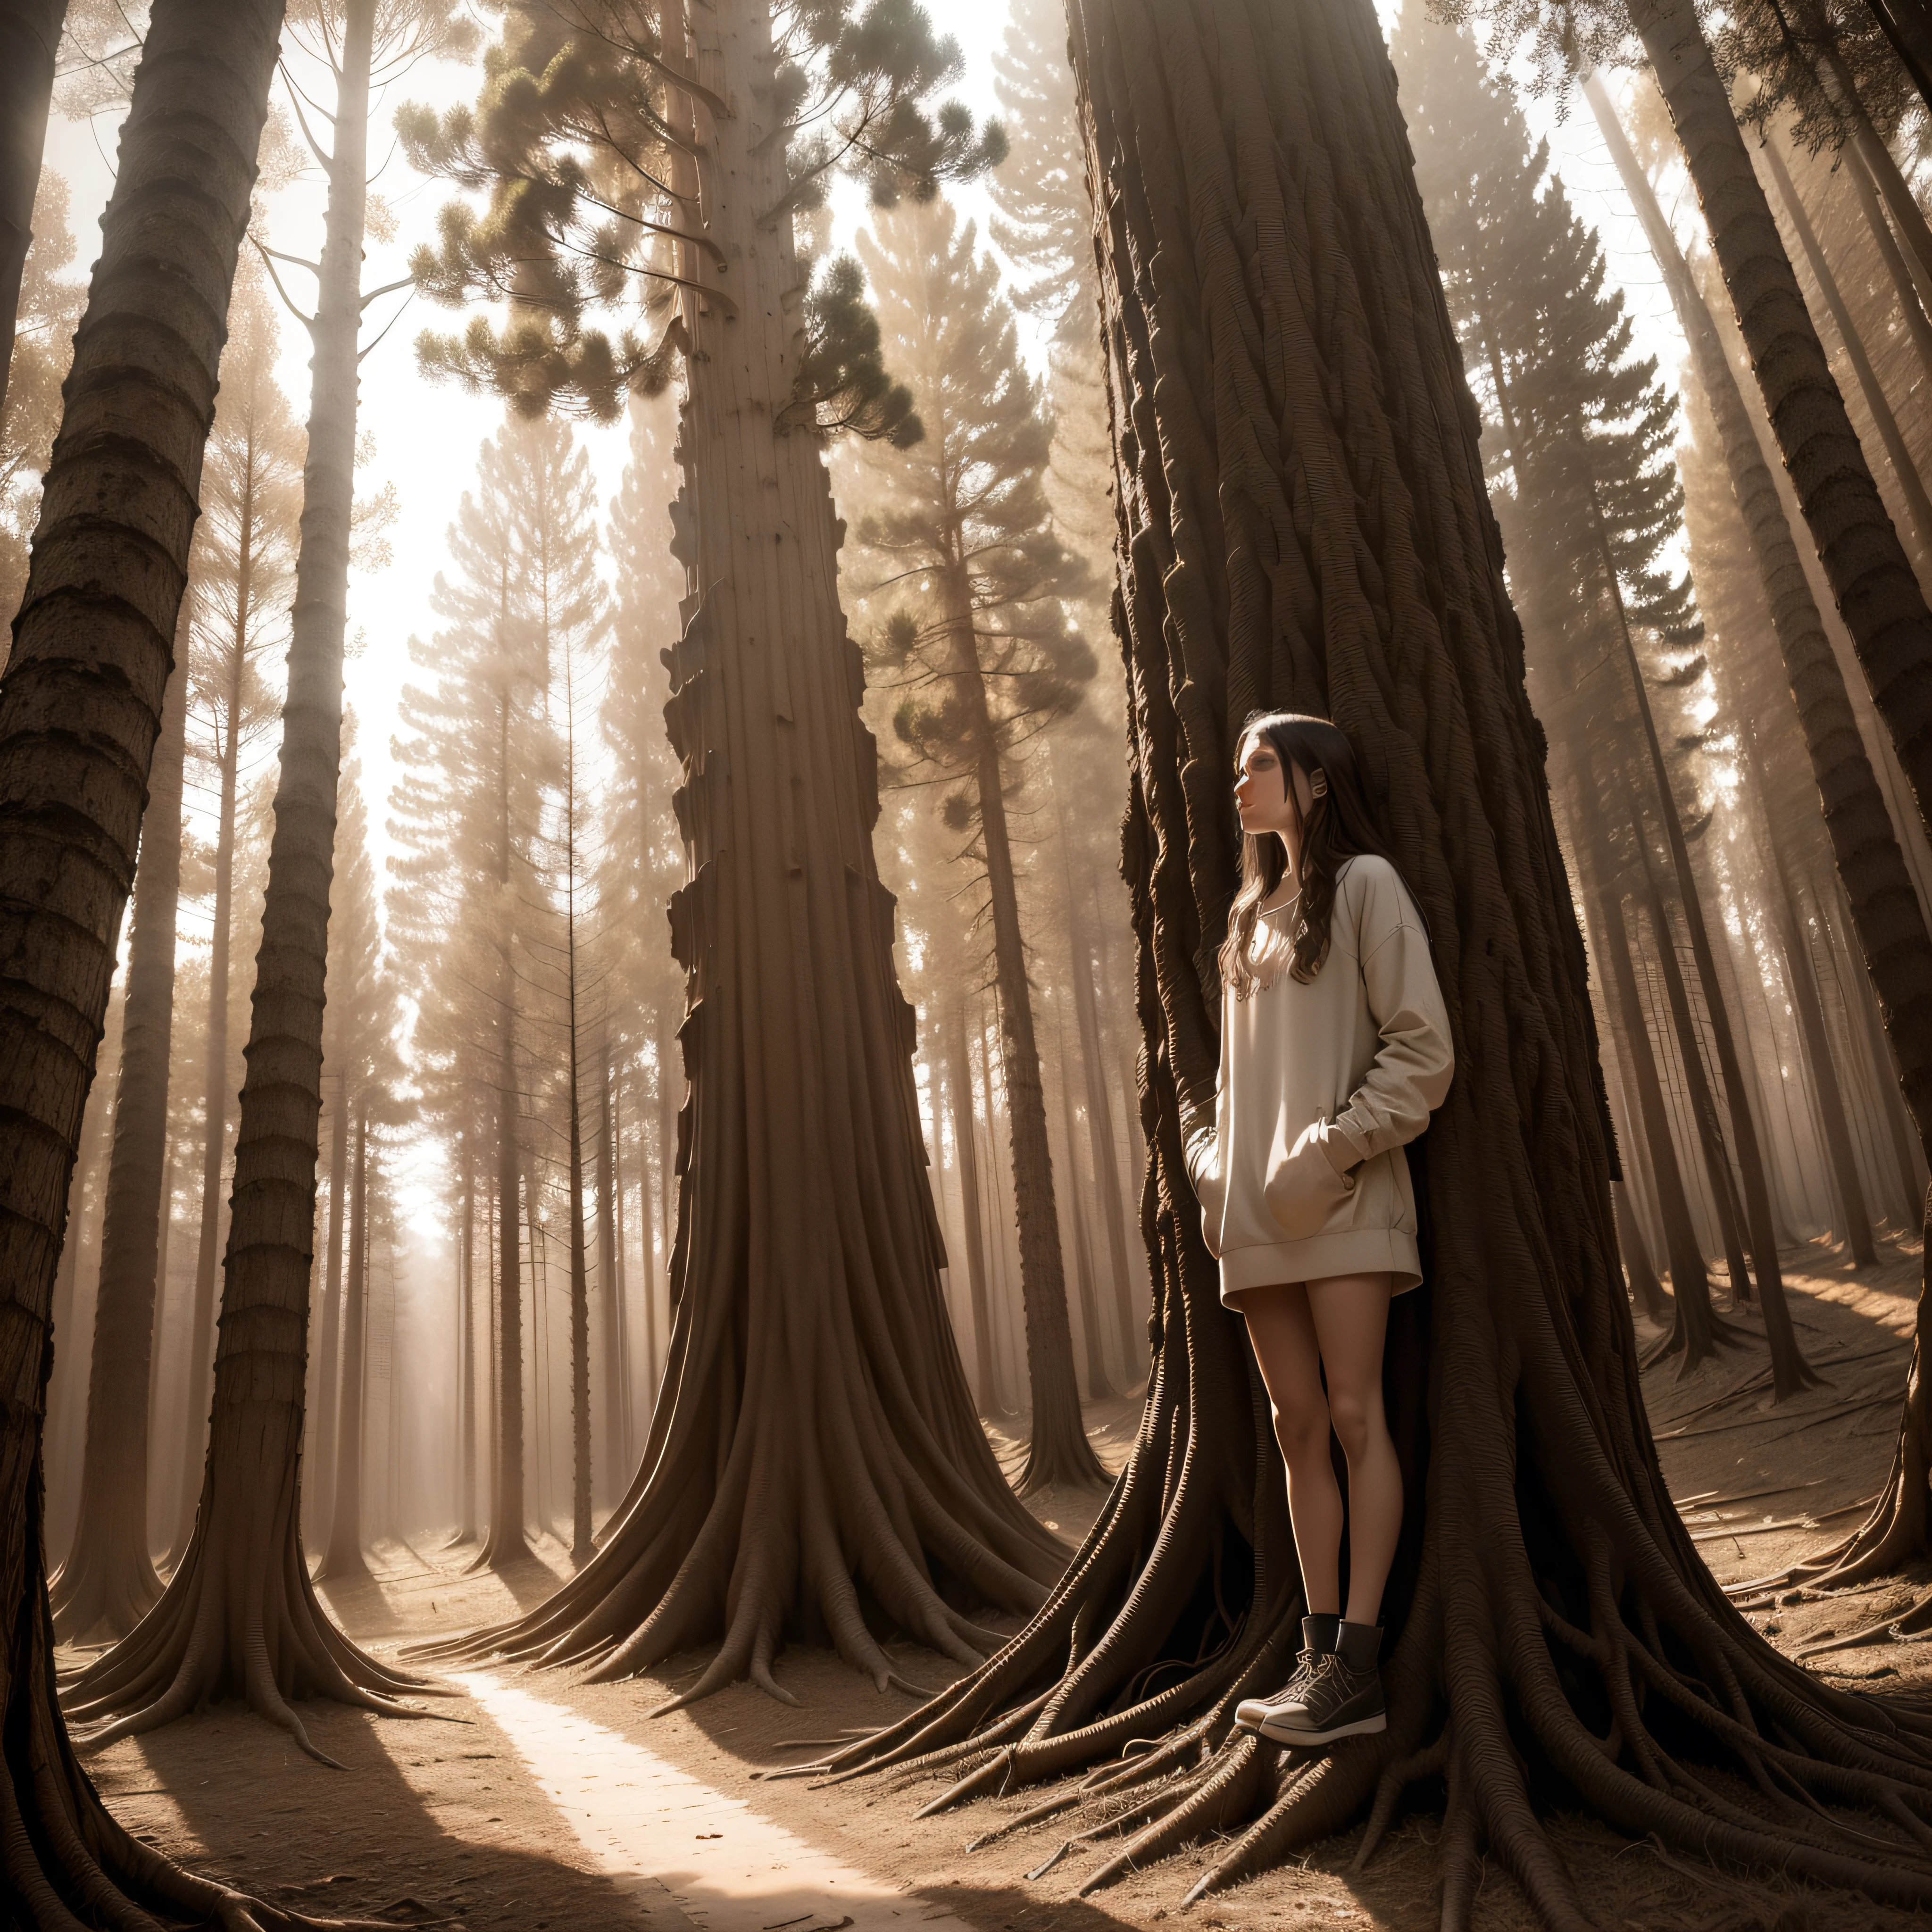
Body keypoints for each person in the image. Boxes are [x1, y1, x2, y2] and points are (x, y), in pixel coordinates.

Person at [1185, 711, 1453, 1747]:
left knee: (1352, 1414)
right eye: (1241, 761)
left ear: (1316, 782)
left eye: (1261, 764)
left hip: (1341, 1204)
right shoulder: (1246, 918)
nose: (1240, 780)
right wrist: (1215, 1171)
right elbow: (1224, 1081)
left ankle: (1358, 1664)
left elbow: (1421, 1051)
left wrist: (1327, 1151)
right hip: (1251, 1222)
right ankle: (1314, 1651)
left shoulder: (1366, 888)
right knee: (1296, 1429)